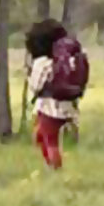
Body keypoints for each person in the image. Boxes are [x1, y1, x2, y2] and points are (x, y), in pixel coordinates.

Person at [26, 19, 78, 170]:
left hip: (49, 107)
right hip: (66, 105)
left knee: (50, 140)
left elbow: (36, 86)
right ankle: (52, 166)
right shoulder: (66, 59)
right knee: (44, 137)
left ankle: (55, 169)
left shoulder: (42, 62)